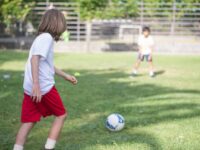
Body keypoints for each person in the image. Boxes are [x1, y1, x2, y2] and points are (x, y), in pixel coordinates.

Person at [13, 9, 77, 150]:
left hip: (30, 88)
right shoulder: (46, 38)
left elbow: (46, 64)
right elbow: (35, 59)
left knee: (29, 121)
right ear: (57, 23)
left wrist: (65, 75)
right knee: (61, 115)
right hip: (43, 87)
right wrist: (37, 85)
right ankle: (49, 147)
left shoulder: (42, 38)